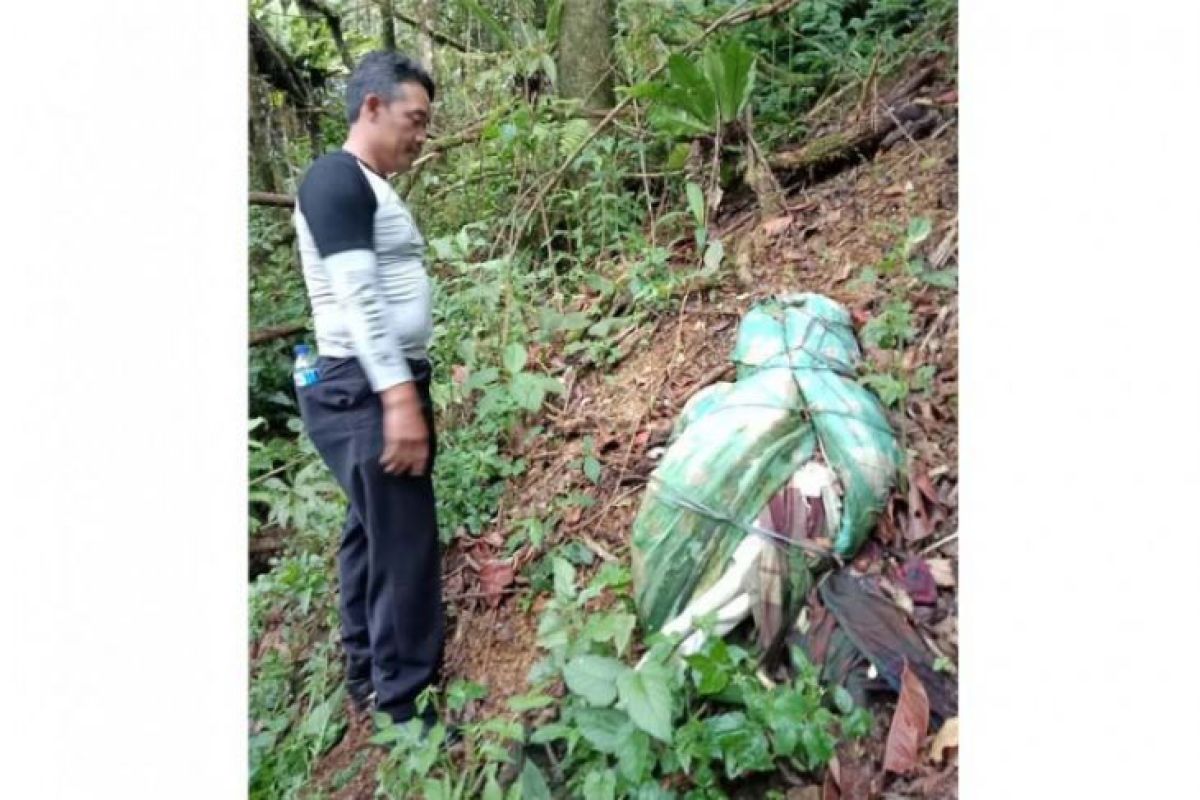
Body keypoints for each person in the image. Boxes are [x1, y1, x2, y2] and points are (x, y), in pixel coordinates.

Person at [291, 50, 443, 730]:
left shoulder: (364, 184)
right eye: (415, 118)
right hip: (364, 388)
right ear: (372, 107)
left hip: (367, 386)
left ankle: (366, 668)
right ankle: (406, 703)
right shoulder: (334, 178)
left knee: (372, 531)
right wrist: (399, 398)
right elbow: (356, 297)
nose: (422, 134)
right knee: (405, 539)